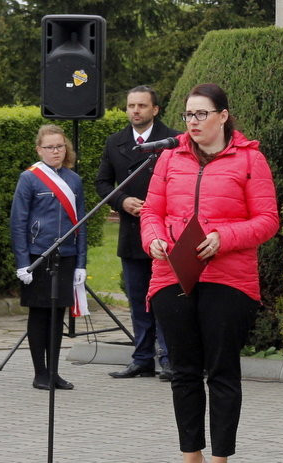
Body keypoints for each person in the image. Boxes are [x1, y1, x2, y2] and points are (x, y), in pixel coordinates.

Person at [141, 83, 278, 463]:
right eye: (189, 115)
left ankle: (219, 462)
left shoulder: (250, 159)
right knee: (182, 372)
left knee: (221, 372)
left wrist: (224, 237)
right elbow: (151, 211)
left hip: (228, 278)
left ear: (223, 115)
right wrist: (153, 240)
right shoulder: (169, 157)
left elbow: (268, 220)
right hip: (171, 275)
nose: (194, 122)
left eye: (202, 114)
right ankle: (191, 456)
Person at [96, 85, 180, 381]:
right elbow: (103, 183)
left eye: (142, 106)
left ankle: (170, 359)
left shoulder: (173, 141)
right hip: (132, 232)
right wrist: (122, 201)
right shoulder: (115, 142)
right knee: (137, 299)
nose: (135, 111)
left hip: (164, 234)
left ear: (155, 110)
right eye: (131, 106)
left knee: (166, 299)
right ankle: (143, 357)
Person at [10, 124, 87, 390]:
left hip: (65, 256)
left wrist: (81, 263)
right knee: (39, 315)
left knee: (57, 316)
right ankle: (39, 373)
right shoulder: (29, 178)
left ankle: (54, 372)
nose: (56, 151)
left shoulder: (73, 180)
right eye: (50, 147)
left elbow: (81, 224)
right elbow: (18, 223)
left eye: (60, 146)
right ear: (39, 149)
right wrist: (22, 263)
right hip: (37, 257)